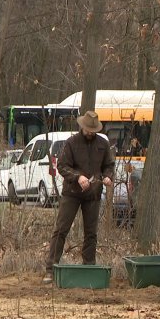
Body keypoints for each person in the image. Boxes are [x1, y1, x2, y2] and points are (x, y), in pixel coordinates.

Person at [42, 111, 115, 283]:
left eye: (93, 130)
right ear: (82, 127)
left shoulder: (102, 144)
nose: (90, 133)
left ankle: (89, 267)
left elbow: (109, 165)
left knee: (91, 234)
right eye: (88, 129)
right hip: (72, 193)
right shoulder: (71, 143)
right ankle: (51, 269)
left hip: (93, 194)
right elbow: (62, 166)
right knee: (61, 230)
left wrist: (107, 177)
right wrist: (78, 177)